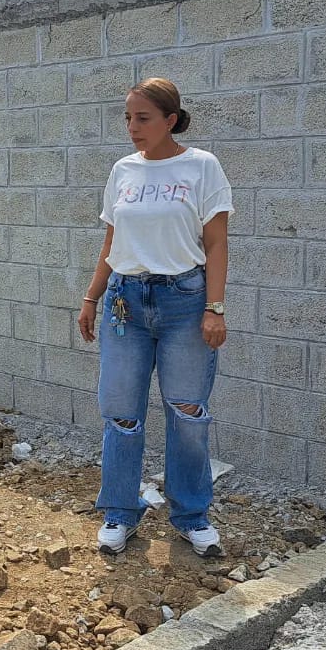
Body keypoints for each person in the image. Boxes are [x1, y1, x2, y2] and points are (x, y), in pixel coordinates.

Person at [77, 78, 231, 558]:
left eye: (142, 118)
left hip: (184, 301)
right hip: (125, 302)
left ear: (171, 120)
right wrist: (91, 297)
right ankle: (121, 512)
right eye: (128, 118)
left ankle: (191, 515)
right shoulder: (122, 170)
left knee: (188, 412)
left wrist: (214, 306)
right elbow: (112, 241)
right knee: (121, 413)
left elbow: (216, 244)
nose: (132, 127)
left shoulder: (202, 166)